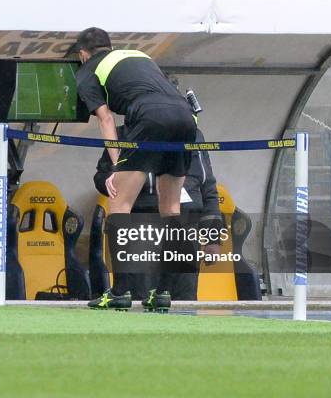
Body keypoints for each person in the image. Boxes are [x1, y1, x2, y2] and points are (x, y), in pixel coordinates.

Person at [74, 27, 197, 310]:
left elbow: (105, 119)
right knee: (172, 211)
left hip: (149, 117)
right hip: (185, 118)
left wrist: (116, 165)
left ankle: (119, 292)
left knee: (118, 207)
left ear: (83, 54)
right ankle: (163, 293)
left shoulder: (86, 71)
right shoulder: (139, 55)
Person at [94, 124, 223, 307]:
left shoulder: (194, 136)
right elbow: (101, 176)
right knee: (140, 298)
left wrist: (213, 237)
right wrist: (113, 181)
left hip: (184, 229)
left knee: (182, 301)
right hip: (140, 228)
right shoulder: (123, 135)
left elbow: (208, 187)